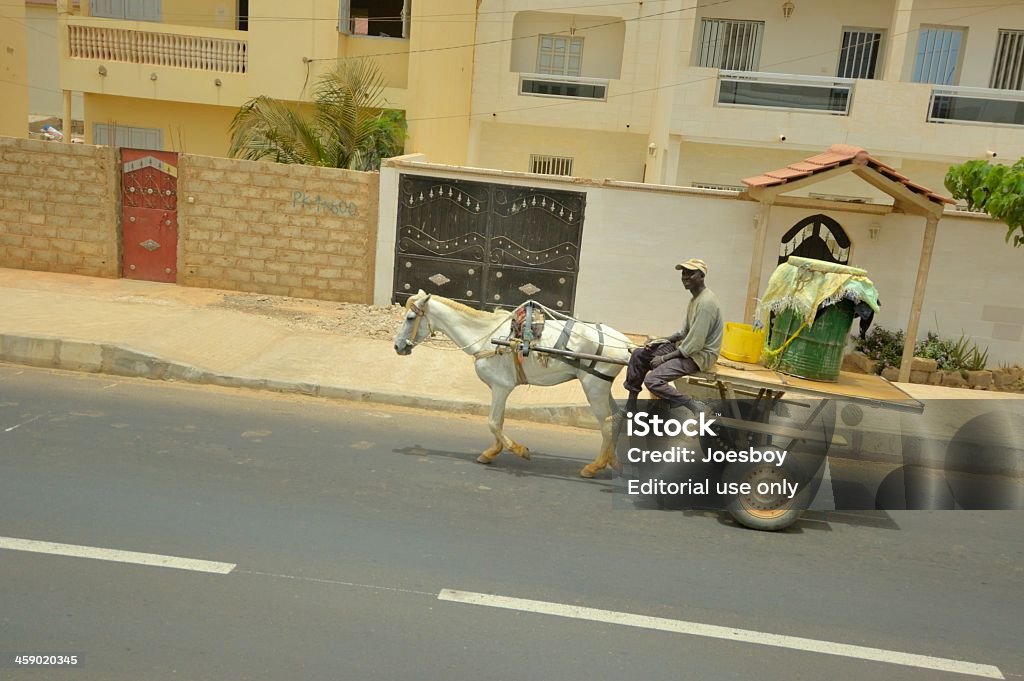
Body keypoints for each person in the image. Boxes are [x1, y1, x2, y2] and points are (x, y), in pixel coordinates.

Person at [624, 258, 723, 414]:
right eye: (684, 273)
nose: (685, 277)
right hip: (686, 349)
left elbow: (695, 344)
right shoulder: (695, 299)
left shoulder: (706, 303)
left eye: (691, 273)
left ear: (702, 276)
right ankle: (630, 407)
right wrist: (660, 341)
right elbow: (683, 332)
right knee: (638, 354)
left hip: (699, 355)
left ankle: (694, 405)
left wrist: (664, 358)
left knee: (653, 381)